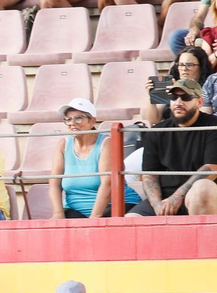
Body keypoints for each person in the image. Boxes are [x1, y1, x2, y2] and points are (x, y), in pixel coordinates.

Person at [129, 77, 217, 217]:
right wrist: (158, 205)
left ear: (199, 102)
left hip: (197, 196)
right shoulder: (158, 131)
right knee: (131, 219)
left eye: (186, 97)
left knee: (202, 189)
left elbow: (212, 168)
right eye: (174, 97)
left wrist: (177, 197)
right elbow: (149, 175)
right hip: (164, 197)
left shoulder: (213, 125)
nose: (178, 102)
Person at [51, 97, 140, 219]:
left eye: (79, 118)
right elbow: (54, 184)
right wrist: (58, 214)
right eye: (68, 119)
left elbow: (107, 183)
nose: (72, 123)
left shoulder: (106, 143)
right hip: (76, 210)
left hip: (111, 207)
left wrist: (94, 218)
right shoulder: (63, 144)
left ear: (92, 121)